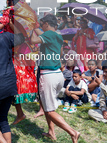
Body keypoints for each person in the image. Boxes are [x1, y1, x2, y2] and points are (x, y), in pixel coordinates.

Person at [31, 14, 80, 143]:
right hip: (58, 74)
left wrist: (32, 29)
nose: (41, 26)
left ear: (47, 24)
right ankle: (51, 132)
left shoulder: (49, 34)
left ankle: (73, 132)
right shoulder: (58, 36)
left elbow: (34, 40)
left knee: (50, 110)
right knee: (48, 106)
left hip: (48, 75)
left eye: (42, 24)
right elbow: (61, 53)